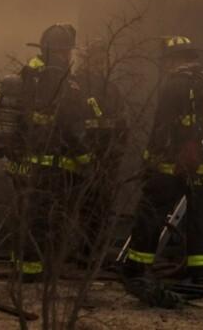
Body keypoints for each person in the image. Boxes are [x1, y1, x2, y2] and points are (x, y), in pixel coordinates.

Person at [122, 36, 203, 284]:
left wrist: (149, 159)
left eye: (167, 60)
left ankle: (136, 267)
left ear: (174, 60)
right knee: (201, 219)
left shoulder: (174, 85)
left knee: (150, 211)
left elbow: (162, 127)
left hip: (174, 164)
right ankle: (200, 272)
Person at [0, 23, 89, 282]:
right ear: (62, 50)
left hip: (22, 161)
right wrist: (85, 156)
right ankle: (34, 272)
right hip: (49, 164)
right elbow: (70, 121)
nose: (69, 55)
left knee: (24, 212)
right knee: (43, 218)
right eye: (68, 50)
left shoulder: (27, 73)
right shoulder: (59, 77)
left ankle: (20, 264)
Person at [76, 38, 127, 257]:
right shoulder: (79, 84)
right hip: (91, 156)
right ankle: (86, 252)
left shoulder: (106, 87)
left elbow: (122, 123)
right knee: (89, 206)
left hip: (95, 157)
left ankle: (87, 253)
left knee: (92, 207)